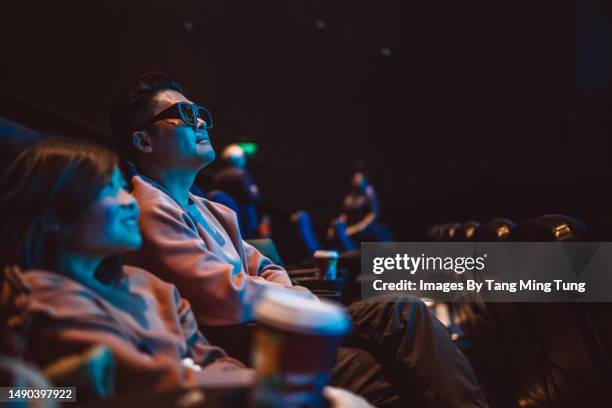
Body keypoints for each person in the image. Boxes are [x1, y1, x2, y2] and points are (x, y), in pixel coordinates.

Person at [109, 73, 489, 407]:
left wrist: (286, 294)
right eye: (185, 116)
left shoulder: (206, 207)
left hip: (276, 323)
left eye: (201, 114)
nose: (201, 123)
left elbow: (267, 268)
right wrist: (294, 298)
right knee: (381, 364)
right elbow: (221, 294)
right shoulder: (148, 208)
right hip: (246, 342)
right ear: (144, 141)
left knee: (401, 309)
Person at [0, 139, 249, 393]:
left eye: (121, 185)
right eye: (108, 189)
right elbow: (154, 383)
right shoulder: (39, 295)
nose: (130, 201)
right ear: (53, 214)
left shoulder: (153, 286)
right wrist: (270, 380)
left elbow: (216, 361)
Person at [213, 144, 261, 239]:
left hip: (227, 220)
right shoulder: (242, 174)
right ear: (238, 159)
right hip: (246, 218)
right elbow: (253, 197)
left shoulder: (218, 176)